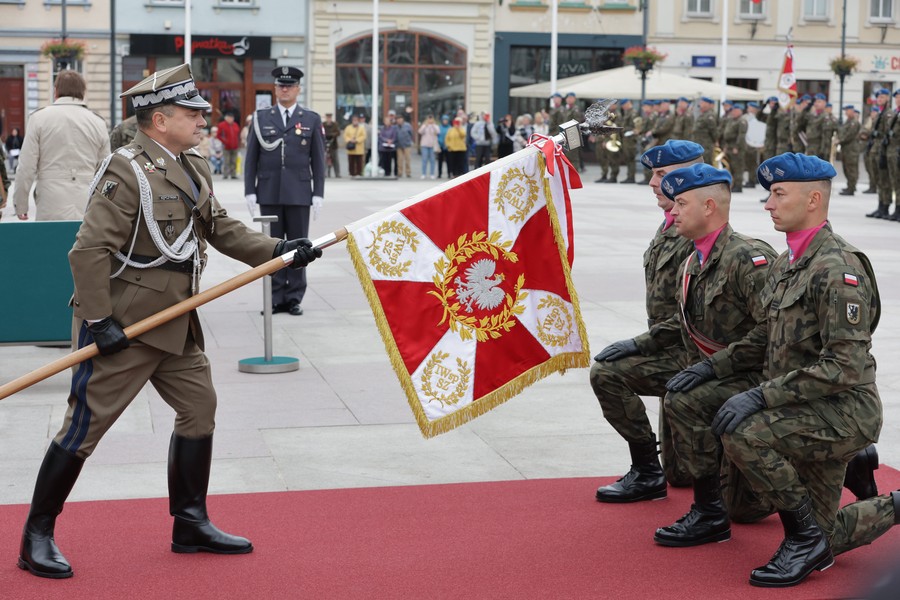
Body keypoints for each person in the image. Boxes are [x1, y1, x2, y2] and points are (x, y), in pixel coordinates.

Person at [15, 63, 322, 580]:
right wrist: (99, 320)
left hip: (175, 321)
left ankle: (190, 521)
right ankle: (36, 535)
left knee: (200, 407)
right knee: (84, 429)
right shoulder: (125, 171)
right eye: (193, 113)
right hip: (125, 325)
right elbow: (88, 253)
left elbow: (218, 226)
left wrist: (278, 250)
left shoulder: (192, 165)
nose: (205, 119)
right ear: (159, 119)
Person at [716, 153, 895, 588]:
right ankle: (820, 529)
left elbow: (844, 365)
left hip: (841, 410)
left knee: (744, 432)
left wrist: (760, 396)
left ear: (813, 199)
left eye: (779, 194)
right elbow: (764, 336)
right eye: (769, 195)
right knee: (813, 530)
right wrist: (711, 369)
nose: (768, 204)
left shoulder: (838, 268)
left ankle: (802, 538)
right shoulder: (787, 261)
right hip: (803, 408)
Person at [647, 163, 778, 547]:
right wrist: (643, 344)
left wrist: (710, 367)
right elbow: (689, 327)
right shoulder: (692, 261)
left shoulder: (749, 259)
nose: (671, 212)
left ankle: (709, 514)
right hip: (725, 374)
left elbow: (770, 332)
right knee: (745, 508)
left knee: (686, 400)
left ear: (709, 207)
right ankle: (714, 501)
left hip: (759, 377)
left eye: (681, 204)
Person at [590, 141, 703, 504]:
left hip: (693, 356)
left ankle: (646, 472)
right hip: (671, 348)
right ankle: (652, 470)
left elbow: (691, 319)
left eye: (662, 175)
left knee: (607, 373)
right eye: (653, 174)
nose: (653, 183)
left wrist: (641, 344)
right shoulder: (669, 223)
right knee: (680, 473)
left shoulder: (697, 233)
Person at [244, 66, 326, 316]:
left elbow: (318, 159)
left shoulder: (310, 118)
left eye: (290, 86)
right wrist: (250, 190)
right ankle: (275, 297)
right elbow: (251, 158)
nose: (285, 89)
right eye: (281, 85)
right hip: (269, 191)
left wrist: (318, 193)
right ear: (275, 88)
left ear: (298, 89)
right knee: (272, 247)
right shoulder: (261, 117)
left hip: (299, 192)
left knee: (300, 247)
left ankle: (293, 297)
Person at [12, 70, 110, 221]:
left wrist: (21, 204)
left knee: (51, 242)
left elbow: (26, 167)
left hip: (50, 199)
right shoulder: (98, 122)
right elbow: (105, 170)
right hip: (87, 199)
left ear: (55, 91)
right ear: (82, 92)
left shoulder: (39, 118)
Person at [866, 89, 892, 219]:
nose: (880, 99)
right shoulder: (880, 113)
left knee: (884, 180)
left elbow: (887, 133)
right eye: (878, 97)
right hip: (875, 149)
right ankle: (880, 206)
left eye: (882, 97)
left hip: (882, 149)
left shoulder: (888, 114)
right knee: (878, 180)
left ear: (887, 98)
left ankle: (885, 206)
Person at [838, 105, 861, 196]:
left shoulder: (854, 122)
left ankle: (852, 187)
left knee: (852, 169)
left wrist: (839, 140)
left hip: (851, 150)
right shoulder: (848, 121)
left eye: (847, 110)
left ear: (852, 111)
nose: (845, 112)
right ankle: (849, 186)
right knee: (846, 168)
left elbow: (849, 135)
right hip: (846, 149)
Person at [217, 112, 241, 179]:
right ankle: (225, 174)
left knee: (234, 161)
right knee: (226, 161)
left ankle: (233, 174)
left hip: (235, 146)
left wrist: (238, 143)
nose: (231, 119)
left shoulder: (236, 125)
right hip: (226, 146)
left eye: (232, 118)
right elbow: (218, 135)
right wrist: (225, 141)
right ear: (226, 118)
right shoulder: (221, 125)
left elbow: (238, 135)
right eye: (229, 118)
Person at [343, 113, 367, 177]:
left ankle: (359, 173)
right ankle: (351, 173)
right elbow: (345, 135)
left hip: (359, 148)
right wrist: (350, 140)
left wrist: (357, 140)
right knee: (351, 161)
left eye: (356, 120)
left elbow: (363, 136)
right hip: (351, 148)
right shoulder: (348, 127)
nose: (355, 121)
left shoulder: (361, 128)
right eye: (354, 120)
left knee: (359, 161)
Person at [418, 114, 439, 179]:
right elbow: (420, 132)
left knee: (432, 160)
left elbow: (438, 132)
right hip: (424, 145)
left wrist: (433, 125)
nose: (430, 120)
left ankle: (432, 174)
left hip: (432, 145)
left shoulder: (435, 126)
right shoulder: (424, 125)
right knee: (424, 160)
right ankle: (423, 173)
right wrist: (425, 126)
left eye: (431, 119)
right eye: (429, 119)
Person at [378, 112, 399, 177]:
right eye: (386, 121)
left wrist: (391, 141)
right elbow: (380, 136)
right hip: (383, 147)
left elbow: (394, 136)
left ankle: (388, 172)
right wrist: (386, 140)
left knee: (389, 161)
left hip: (390, 147)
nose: (387, 122)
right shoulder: (382, 128)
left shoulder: (393, 129)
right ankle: (382, 172)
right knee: (383, 160)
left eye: (388, 121)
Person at [323, 112, 342, 178]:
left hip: (333, 144)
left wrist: (332, 135)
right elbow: (321, 132)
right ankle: (324, 173)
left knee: (335, 159)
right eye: (327, 118)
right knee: (324, 159)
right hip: (325, 144)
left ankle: (337, 173)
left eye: (330, 118)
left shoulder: (335, 124)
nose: (329, 119)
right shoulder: (323, 125)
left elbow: (338, 132)